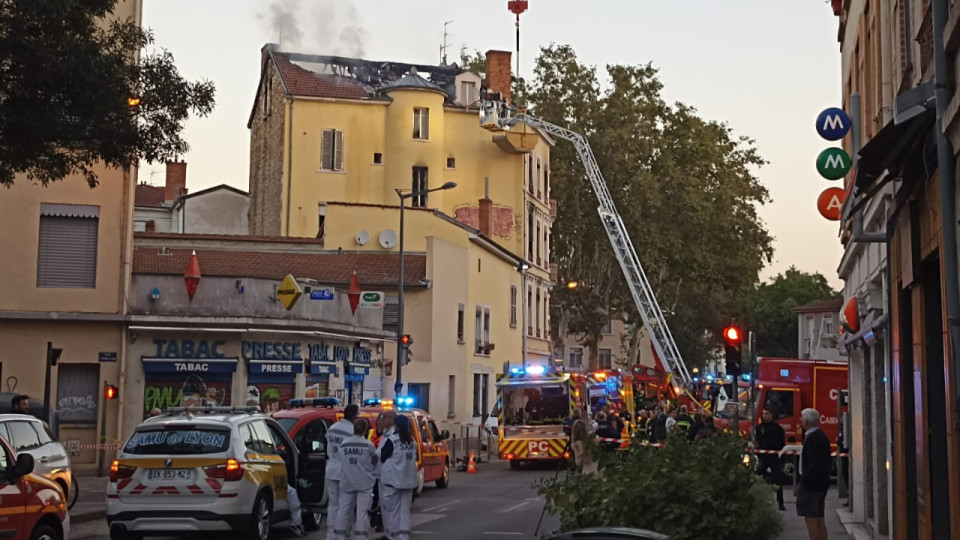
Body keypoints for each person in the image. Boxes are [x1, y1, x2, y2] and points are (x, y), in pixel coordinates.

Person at [334, 419, 377, 540]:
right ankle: (361, 537)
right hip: (364, 483)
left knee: (343, 510)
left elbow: (340, 460)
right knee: (362, 512)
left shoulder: (344, 444)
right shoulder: (368, 445)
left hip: (347, 482)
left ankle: (339, 536)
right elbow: (374, 460)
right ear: (365, 430)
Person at [379, 414, 418, 540]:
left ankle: (393, 537)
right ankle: (404, 536)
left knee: (392, 512)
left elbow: (383, 456)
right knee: (405, 512)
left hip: (393, 481)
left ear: (396, 426)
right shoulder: (413, 442)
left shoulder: (392, 440)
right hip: (408, 482)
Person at [325, 404, 359, 539]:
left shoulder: (333, 428)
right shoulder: (352, 431)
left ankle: (330, 534)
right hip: (346, 472)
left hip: (332, 469)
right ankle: (343, 533)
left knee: (333, 505)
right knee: (345, 506)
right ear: (354, 415)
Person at [798, 408, 831, 540]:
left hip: (812, 486)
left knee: (811, 520)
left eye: (802, 418)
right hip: (821, 483)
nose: (800, 421)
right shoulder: (820, 436)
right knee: (819, 518)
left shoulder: (812, 439)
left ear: (806, 421)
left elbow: (814, 465)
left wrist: (804, 480)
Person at [755, 407, 786, 510]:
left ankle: (780, 503)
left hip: (773, 457)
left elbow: (782, 443)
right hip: (763, 456)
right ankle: (758, 501)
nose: (765, 416)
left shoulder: (777, 428)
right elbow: (757, 439)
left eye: (767, 413)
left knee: (777, 480)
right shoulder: (759, 428)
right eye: (764, 413)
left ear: (772, 415)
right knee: (759, 479)